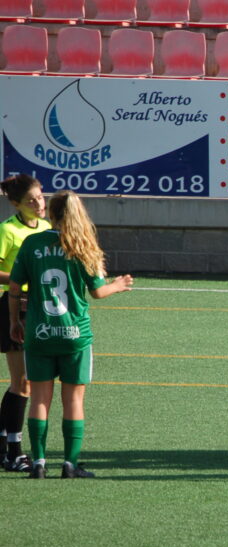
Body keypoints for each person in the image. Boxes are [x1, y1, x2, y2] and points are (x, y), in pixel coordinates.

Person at [8, 191, 133, 479]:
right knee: (73, 400)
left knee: (39, 398)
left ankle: (38, 463)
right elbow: (98, 292)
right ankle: (69, 464)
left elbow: (15, 288)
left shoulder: (33, 242)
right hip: (75, 334)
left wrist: (15, 320)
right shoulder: (83, 245)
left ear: (50, 212)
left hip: (39, 331)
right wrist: (118, 284)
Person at [0, 175, 50, 473]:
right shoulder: (8, 231)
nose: (38, 204)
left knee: (23, 382)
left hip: (40, 309)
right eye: (31, 200)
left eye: (40, 198)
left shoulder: (45, 228)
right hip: (12, 308)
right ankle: (15, 453)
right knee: (23, 383)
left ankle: (4, 446)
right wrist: (24, 277)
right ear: (15, 204)